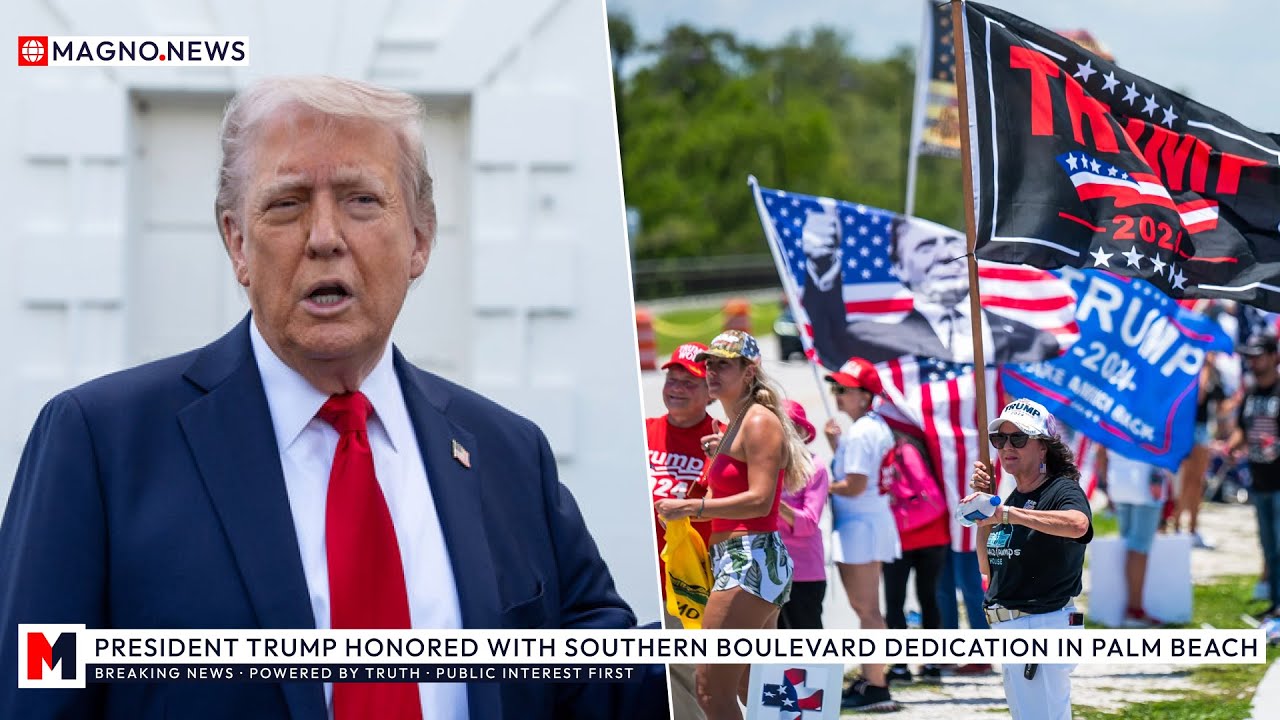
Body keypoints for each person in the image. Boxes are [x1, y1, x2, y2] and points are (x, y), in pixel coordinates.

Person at [0, 76, 664, 720]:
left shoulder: (509, 452)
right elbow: (36, 691)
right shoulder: (97, 444)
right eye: (286, 203)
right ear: (237, 240)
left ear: (420, 239)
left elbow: (596, 681)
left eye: (361, 200)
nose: (324, 236)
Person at [655, 330, 812, 720]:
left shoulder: (758, 421)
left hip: (749, 559)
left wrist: (694, 507)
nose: (711, 372)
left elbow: (761, 500)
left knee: (709, 688)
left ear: (748, 371)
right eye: (709, 363)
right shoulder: (739, 422)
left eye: (723, 364)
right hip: (744, 559)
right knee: (756, 687)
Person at [800, 207, 1058, 367]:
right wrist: (822, 262)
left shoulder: (1029, 338)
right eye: (925, 247)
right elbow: (831, 346)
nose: (945, 255)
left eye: (952, 243)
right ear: (899, 266)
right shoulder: (872, 337)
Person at [968, 398, 1093, 720]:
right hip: (1013, 626)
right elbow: (987, 566)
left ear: (1043, 447)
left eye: (1019, 438)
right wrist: (988, 508)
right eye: (1001, 439)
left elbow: (1079, 525)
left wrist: (1009, 513)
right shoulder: (1016, 496)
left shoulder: (1060, 489)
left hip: (1042, 622)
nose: (1007, 446)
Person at [824, 357, 901, 713]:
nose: (837, 394)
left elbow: (854, 485)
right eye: (836, 388)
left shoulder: (862, 432)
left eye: (845, 389)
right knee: (868, 609)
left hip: (860, 525)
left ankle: (877, 684)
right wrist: (837, 448)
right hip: (869, 522)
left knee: (867, 610)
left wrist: (818, 484)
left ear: (865, 396)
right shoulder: (870, 428)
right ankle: (873, 678)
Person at [646, 342, 717, 720]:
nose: (675, 388)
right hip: (651, 581)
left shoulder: (722, 440)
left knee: (697, 675)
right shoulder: (644, 431)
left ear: (711, 391)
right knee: (671, 676)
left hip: (696, 582)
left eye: (688, 382)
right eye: (671, 380)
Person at [881, 432, 949, 685]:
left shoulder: (899, 450)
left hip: (902, 533)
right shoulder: (925, 443)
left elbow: (917, 482)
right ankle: (932, 664)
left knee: (895, 600)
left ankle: (900, 667)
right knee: (929, 598)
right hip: (934, 531)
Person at [1223, 332, 1280, 618]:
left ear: (1274, 357)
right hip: (1259, 481)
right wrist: (1231, 446)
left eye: (1259, 356)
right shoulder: (1252, 392)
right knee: (1269, 548)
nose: (1254, 362)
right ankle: (1275, 604)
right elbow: (1243, 429)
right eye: (1251, 357)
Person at [1095, 446, 1168, 627]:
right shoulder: (1155, 415)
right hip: (1146, 481)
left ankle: (1128, 607)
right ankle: (1134, 609)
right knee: (1139, 548)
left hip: (1119, 480)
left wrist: (1106, 482)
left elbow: (1101, 449)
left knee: (1129, 543)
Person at [776, 400, 830, 630]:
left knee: (808, 651)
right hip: (768, 573)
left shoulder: (814, 467)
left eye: (788, 428)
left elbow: (808, 523)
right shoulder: (763, 467)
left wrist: (771, 499)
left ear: (802, 432)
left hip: (803, 572)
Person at [1175, 355, 1226, 548]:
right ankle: (1178, 525)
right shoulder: (1191, 367)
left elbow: (1220, 406)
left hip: (1203, 430)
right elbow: (1200, 395)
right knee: (1186, 480)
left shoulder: (1214, 373)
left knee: (1197, 482)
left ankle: (1192, 528)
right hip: (1188, 429)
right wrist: (1205, 367)